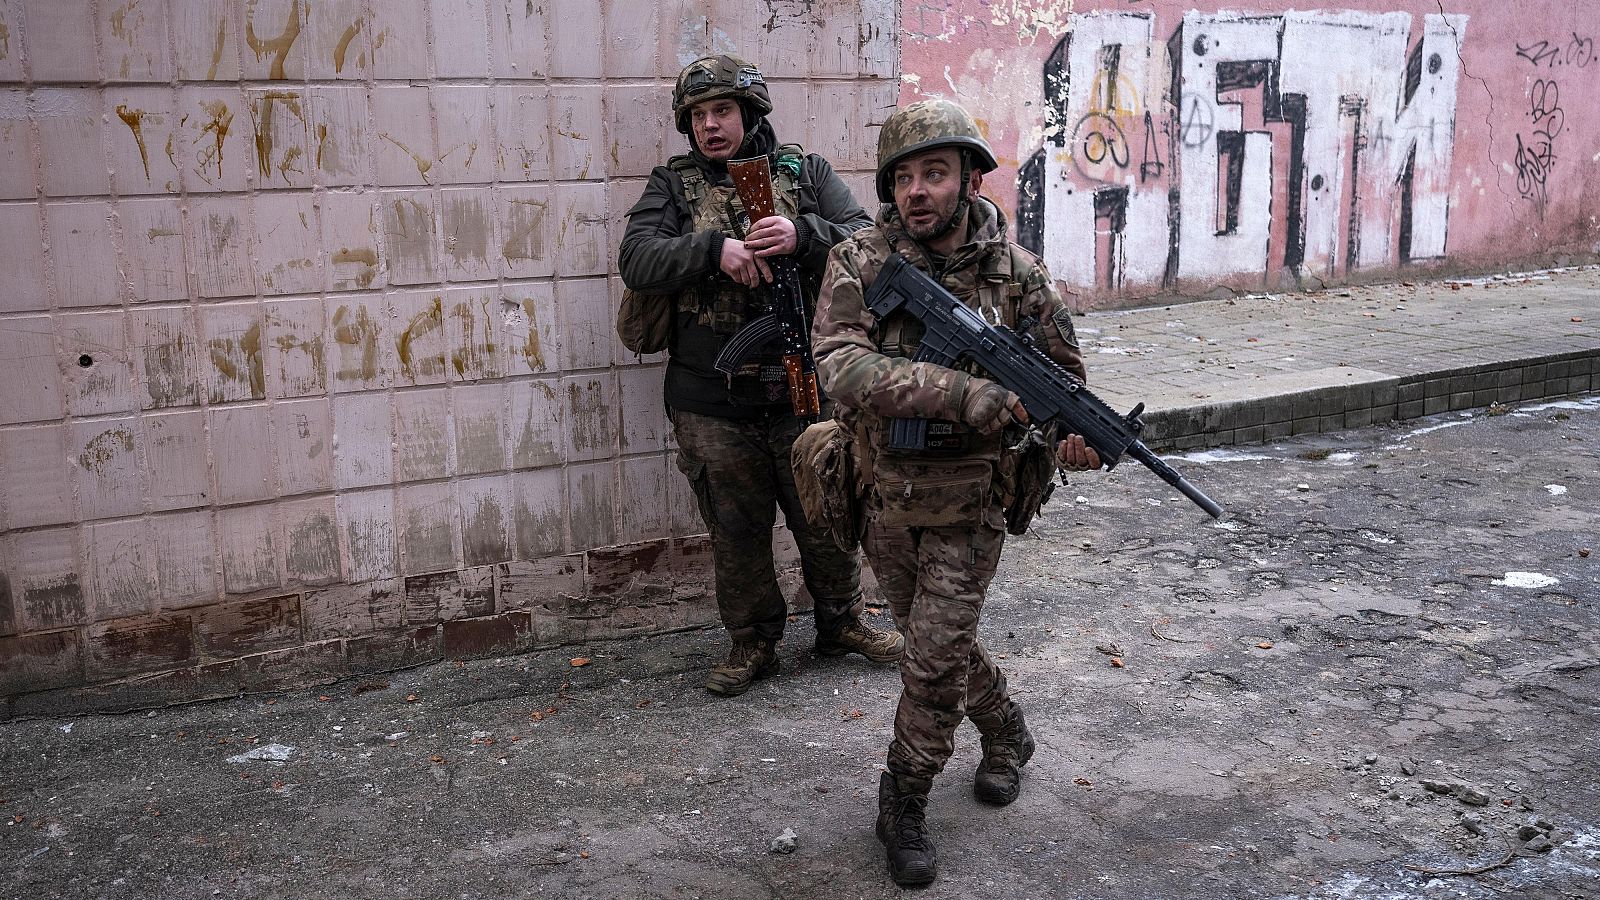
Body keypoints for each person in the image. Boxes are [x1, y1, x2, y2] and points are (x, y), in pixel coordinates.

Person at [811, 98, 1103, 886]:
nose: (917, 191)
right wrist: (961, 393)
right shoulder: (859, 262)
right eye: (903, 177)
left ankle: (902, 799)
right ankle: (1006, 730)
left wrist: (1073, 441)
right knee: (931, 640)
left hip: (972, 501)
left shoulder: (1019, 277)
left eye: (935, 173)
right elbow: (840, 366)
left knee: (934, 660)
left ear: (970, 178)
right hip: (884, 491)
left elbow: (1062, 392)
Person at [618, 54, 904, 697]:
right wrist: (711, 249)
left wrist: (802, 235)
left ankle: (841, 622)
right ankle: (752, 640)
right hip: (711, 397)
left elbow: (869, 241)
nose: (710, 125)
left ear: (750, 114)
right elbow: (636, 257)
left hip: (803, 384)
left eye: (722, 111)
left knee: (827, 511)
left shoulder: (806, 173)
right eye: (698, 115)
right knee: (736, 528)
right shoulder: (672, 185)